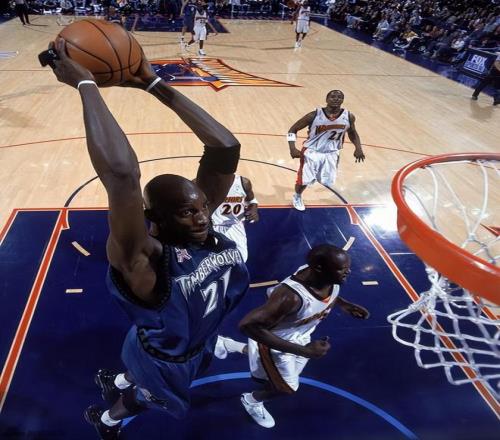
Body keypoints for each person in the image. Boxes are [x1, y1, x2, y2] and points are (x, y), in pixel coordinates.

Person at [48, 38, 249, 439]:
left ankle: (117, 379)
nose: (203, 216)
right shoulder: (143, 259)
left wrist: (154, 84)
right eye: (188, 211)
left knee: (138, 375)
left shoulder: (197, 227)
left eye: (202, 206)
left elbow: (226, 148)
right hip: (166, 361)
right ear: (155, 220)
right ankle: (107, 420)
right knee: (145, 397)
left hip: (194, 339)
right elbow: (122, 176)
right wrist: (86, 85)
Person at [215, 244, 369, 428]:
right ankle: (251, 400)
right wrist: (305, 351)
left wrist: (344, 304)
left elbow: (327, 293)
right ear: (319, 268)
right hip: (274, 343)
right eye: (341, 269)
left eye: (347, 267)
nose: (348, 272)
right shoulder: (290, 297)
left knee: (282, 374)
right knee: (286, 388)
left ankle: (228, 345)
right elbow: (248, 326)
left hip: (300, 336)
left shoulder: (321, 276)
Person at [287, 89, 365, 211]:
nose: (336, 99)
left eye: (339, 97)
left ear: (343, 100)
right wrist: (292, 148)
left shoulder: (349, 116)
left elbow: (352, 132)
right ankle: (297, 196)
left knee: (326, 180)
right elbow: (292, 130)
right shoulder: (314, 115)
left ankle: (313, 178)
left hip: (332, 153)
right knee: (304, 180)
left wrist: (358, 148)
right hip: (312, 152)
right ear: (327, 99)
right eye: (333, 96)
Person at [210, 175, 259, 262]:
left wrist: (254, 210)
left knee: (241, 258)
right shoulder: (203, 182)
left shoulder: (243, 182)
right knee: (212, 261)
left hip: (234, 225)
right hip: (213, 225)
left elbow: (252, 201)